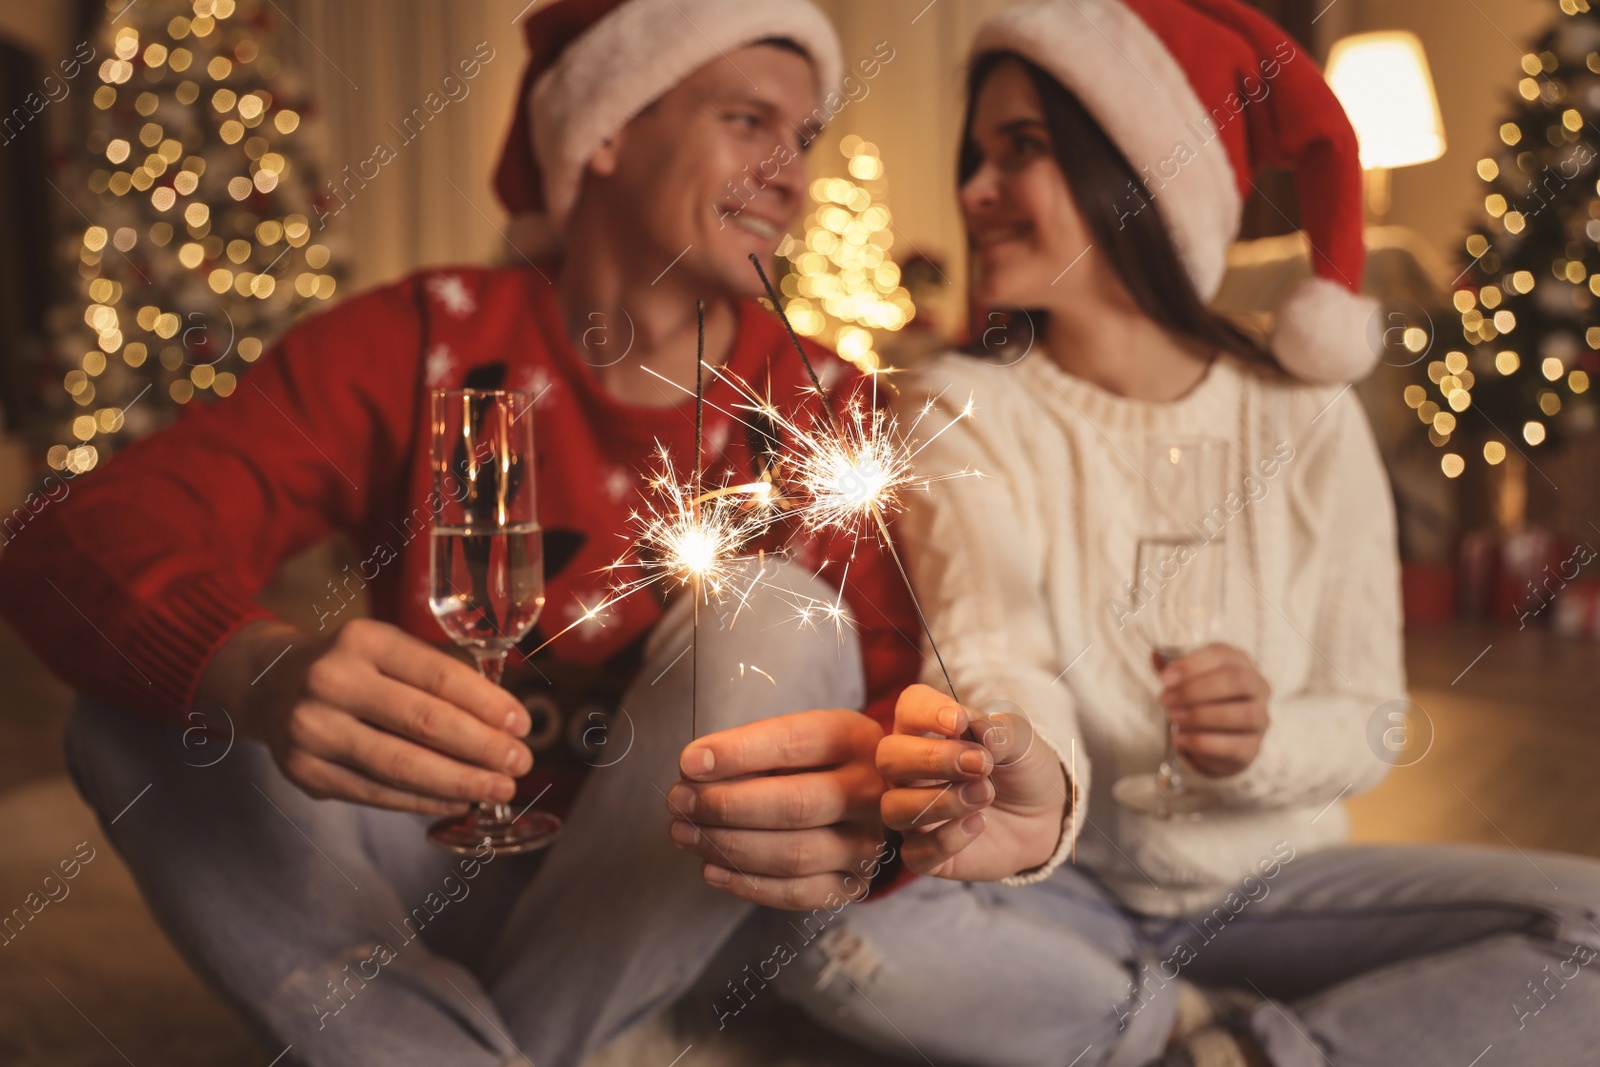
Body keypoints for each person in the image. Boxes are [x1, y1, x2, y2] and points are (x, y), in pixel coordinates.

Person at [0, 2, 923, 1065]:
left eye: (802, 139)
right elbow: (70, 542)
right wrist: (255, 670)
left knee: (783, 608)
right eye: (749, 120)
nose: (792, 176)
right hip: (427, 871)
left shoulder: (818, 401)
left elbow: (898, 697)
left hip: (666, 908)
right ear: (607, 129)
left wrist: (881, 803)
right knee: (134, 712)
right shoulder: (423, 338)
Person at [747, 2, 1600, 1066]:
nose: (972, 190)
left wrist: (1259, 743)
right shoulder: (959, 406)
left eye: (1023, 151)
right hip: (1059, 889)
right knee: (805, 923)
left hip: (1275, 888)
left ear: (1141, 176)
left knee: (1592, 929)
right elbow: (991, 644)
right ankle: (1166, 1027)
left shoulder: (1306, 414)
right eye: (977, 155)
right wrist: (1020, 756)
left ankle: (1212, 1046)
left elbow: (1373, 715)